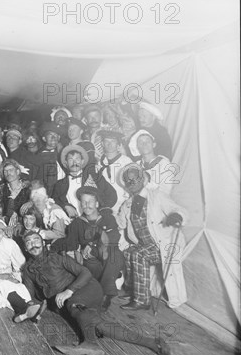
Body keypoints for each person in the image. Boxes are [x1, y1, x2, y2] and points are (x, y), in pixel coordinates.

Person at [21, 231, 173, 355]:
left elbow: (85, 273)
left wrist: (69, 291)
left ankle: (90, 343)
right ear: (26, 248)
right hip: (68, 304)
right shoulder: (28, 270)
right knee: (97, 324)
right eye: (28, 242)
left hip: (85, 289)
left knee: (75, 306)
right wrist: (35, 309)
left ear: (43, 243)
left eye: (36, 240)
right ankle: (154, 343)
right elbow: (30, 295)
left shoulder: (58, 257)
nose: (33, 244)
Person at [116, 163, 187, 310]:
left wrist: (176, 215)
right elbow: (120, 224)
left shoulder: (156, 196)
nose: (132, 182)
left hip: (165, 244)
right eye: (128, 181)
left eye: (135, 179)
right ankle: (135, 291)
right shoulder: (127, 204)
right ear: (126, 185)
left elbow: (177, 208)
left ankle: (142, 301)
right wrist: (105, 216)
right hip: (147, 245)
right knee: (129, 252)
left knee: (137, 254)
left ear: (142, 179)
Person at [58, 187, 124, 311]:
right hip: (90, 262)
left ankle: (105, 294)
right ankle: (95, 295)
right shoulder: (76, 223)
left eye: (90, 201)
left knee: (115, 254)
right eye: (83, 202)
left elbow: (113, 238)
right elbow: (70, 244)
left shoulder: (108, 219)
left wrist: (92, 245)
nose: (87, 205)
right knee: (90, 264)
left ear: (97, 203)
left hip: (107, 258)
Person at [52, 145, 117, 218]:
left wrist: (101, 210)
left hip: (93, 222)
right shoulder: (59, 184)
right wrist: (65, 206)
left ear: (82, 162)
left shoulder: (94, 178)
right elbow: (55, 200)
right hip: (71, 223)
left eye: (77, 159)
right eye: (70, 159)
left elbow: (112, 195)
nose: (74, 162)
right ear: (66, 163)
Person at [96, 130, 133, 213]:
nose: (109, 144)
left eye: (113, 141)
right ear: (102, 144)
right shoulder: (99, 163)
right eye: (106, 141)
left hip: (122, 204)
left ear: (118, 144)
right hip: (105, 206)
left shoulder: (126, 161)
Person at [129, 129, 174, 196]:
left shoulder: (164, 164)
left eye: (148, 141)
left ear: (154, 145)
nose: (144, 144)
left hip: (159, 203)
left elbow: (165, 191)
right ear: (137, 147)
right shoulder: (136, 166)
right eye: (140, 142)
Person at [0, 158, 31, 224]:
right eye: (5, 171)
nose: (8, 173)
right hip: (7, 225)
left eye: (11, 170)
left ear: (18, 171)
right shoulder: (3, 189)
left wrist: (31, 202)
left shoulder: (28, 188)